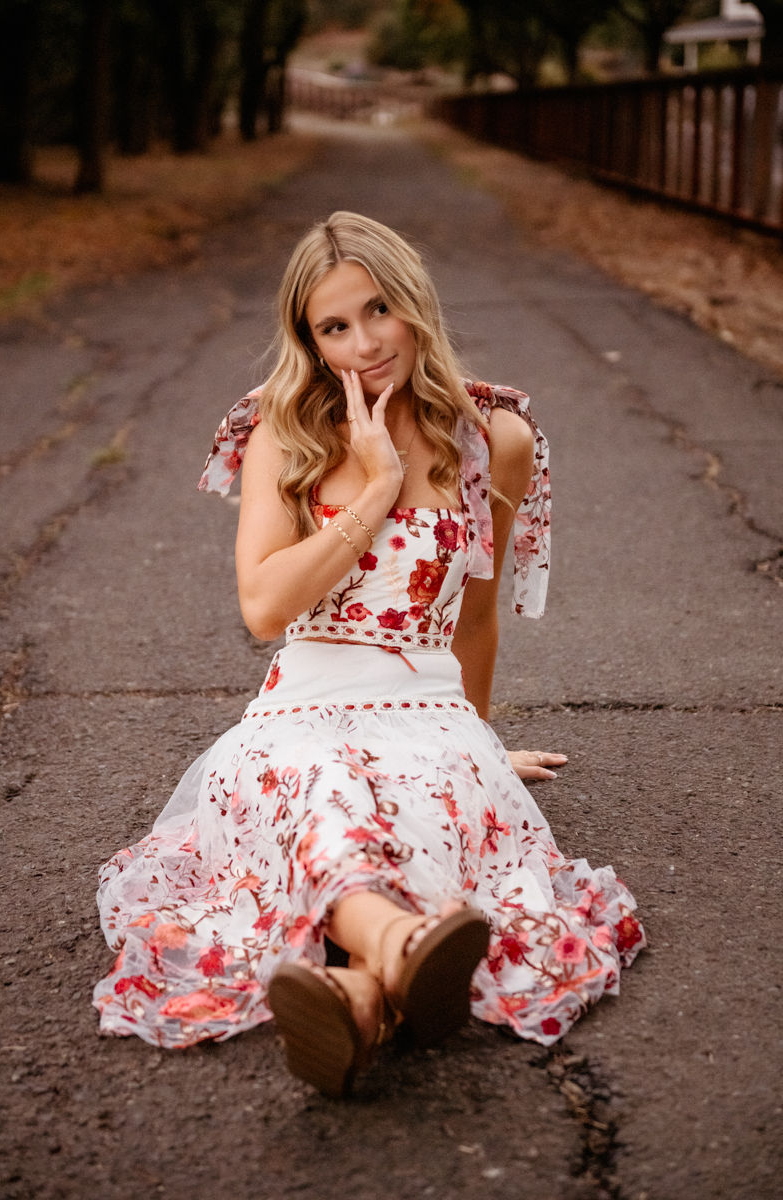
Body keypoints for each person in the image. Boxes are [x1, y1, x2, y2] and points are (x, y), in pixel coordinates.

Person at [93, 211, 644, 1098]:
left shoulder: (494, 439)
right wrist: (378, 485)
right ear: (308, 342)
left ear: (414, 302)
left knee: (415, 814)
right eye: (333, 328)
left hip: (429, 714)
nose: (363, 344)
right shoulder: (286, 429)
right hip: (296, 714)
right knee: (325, 796)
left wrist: (484, 749)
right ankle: (398, 949)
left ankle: (357, 998)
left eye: (377, 311)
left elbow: (474, 620)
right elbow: (266, 607)